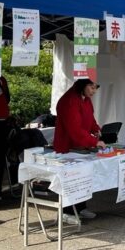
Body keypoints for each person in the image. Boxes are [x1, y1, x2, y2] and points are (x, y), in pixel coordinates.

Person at [53, 78, 104, 223]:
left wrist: (96, 129)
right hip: (68, 146)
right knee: (71, 178)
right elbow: (74, 129)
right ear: (83, 87)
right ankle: (66, 212)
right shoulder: (69, 101)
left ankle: (81, 207)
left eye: (95, 88)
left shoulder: (86, 99)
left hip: (81, 146)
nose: (94, 91)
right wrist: (94, 141)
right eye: (92, 88)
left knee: (84, 176)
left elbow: (90, 118)